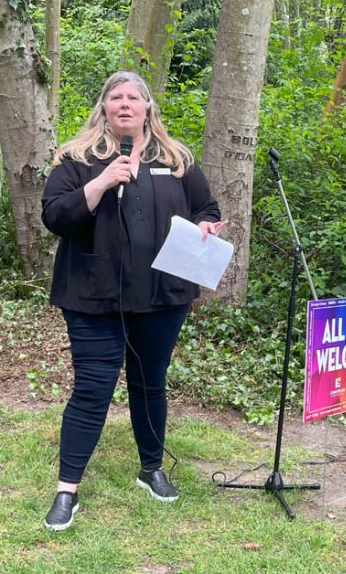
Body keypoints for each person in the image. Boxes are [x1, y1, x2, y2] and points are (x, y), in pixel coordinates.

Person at [40, 71, 227, 531]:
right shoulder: (78, 157)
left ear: (148, 107)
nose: (125, 105)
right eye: (115, 98)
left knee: (150, 383)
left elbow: (207, 208)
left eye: (133, 98)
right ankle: (67, 490)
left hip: (162, 296)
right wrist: (102, 182)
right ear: (103, 107)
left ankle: (151, 469)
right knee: (92, 389)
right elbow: (54, 216)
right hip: (93, 296)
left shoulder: (176, 158)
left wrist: (206, 225)